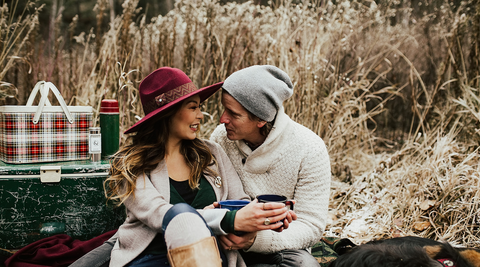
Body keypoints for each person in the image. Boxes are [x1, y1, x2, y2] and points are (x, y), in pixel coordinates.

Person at [70, 67, 292, 267]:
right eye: (193, 107)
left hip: (212, 257)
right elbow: (160, 214)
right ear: (169, 113)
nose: (200, 116)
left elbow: (239, 202)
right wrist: (226, 220)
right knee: (180, 212)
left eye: (199, 107)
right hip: (151, 259)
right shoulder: (132, 163)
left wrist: (266, 216)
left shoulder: (212, 153)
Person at [210, 65, 331, 267]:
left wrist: (255, 240)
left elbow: (310, 225)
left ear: (260, 119)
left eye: (233, 113)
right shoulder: (220, 139)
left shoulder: (310, 149)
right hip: (226, 239)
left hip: (282, 248)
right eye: (224, 108)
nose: (223, 119)